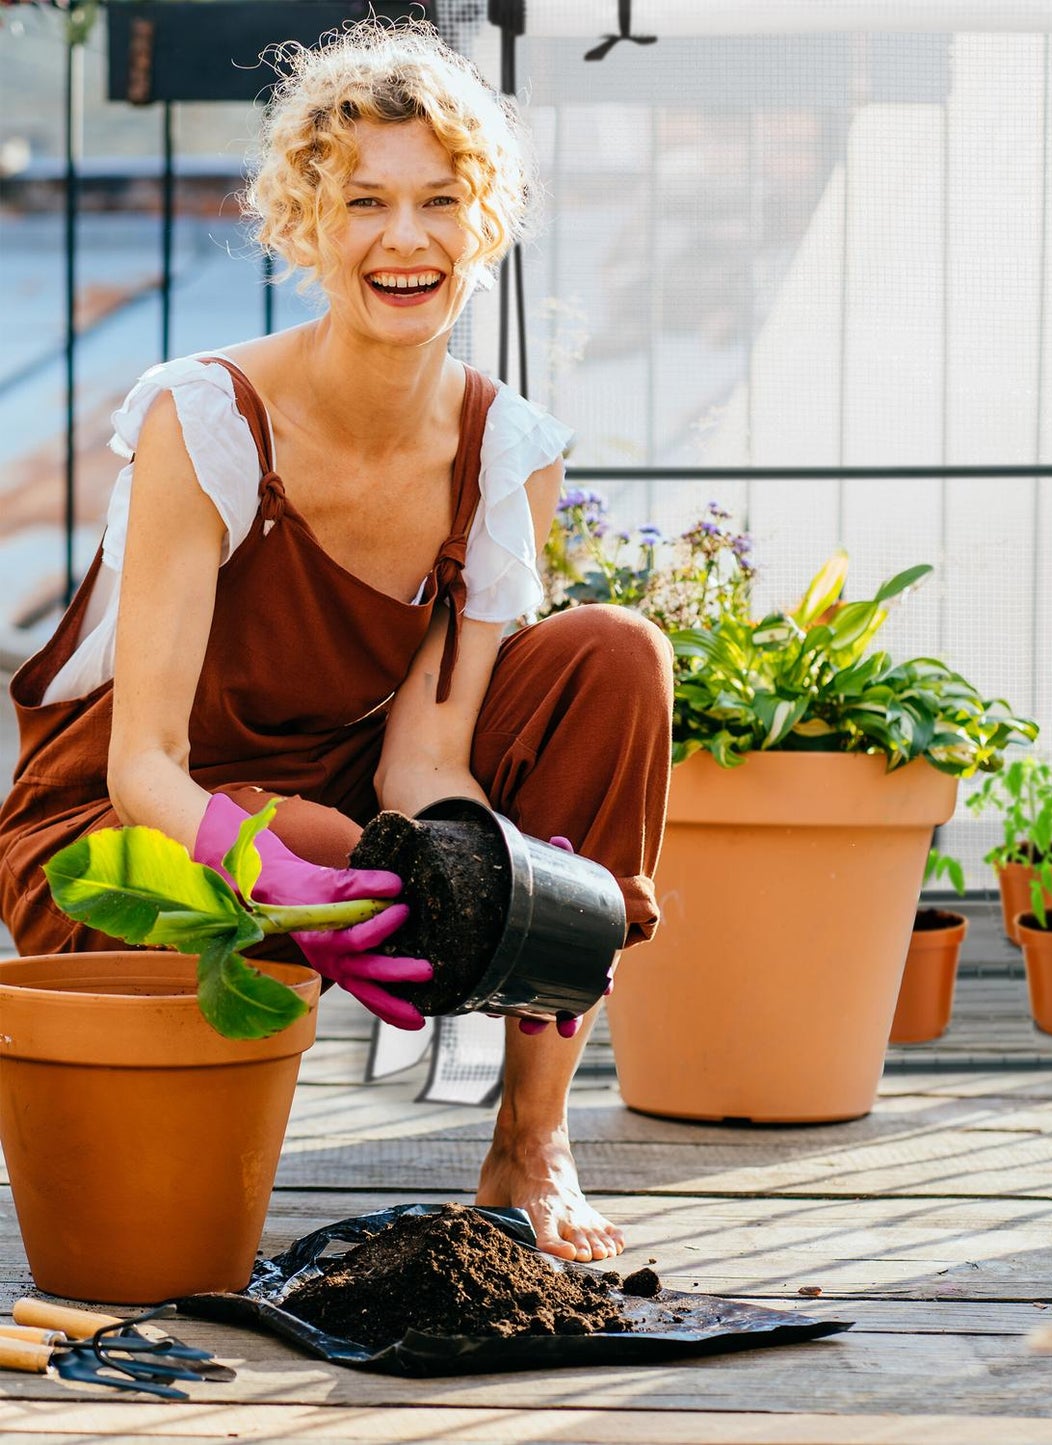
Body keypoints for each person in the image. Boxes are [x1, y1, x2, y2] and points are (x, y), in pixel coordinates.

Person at [0, 19, 673, 1264]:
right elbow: (140, 763)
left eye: (439, 199)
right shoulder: (205, 419)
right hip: (115, 837)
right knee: (315, 836)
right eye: (364, 200)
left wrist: (526, 879)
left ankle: (530, 1142)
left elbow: (427, 762)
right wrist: (301, 875)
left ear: (486, 221)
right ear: (304, 223)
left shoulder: (503, 447)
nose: (404, 237)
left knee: (614, 652)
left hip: (346, 805)